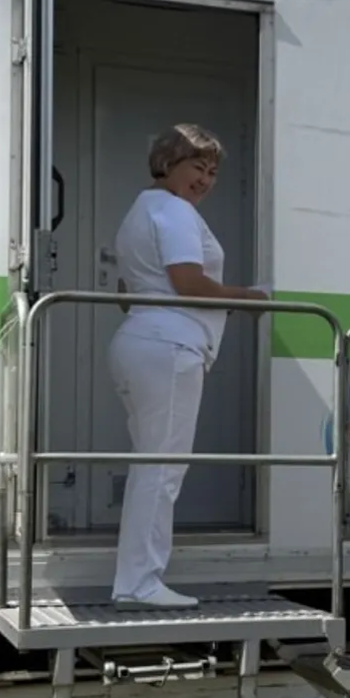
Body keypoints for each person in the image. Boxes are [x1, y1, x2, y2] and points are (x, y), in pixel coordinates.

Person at [108, 124, 268, 610]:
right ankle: (139, 583)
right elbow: (188, 282)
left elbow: (127, 293)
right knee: (162, 469)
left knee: (153, 465)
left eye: (213, 171)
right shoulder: (175, 212)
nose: (206, 179)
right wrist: (254, 298)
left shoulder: (142, 209)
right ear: (167, 162)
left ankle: (136, 579)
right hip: (169, 347)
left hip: (142, 340)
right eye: (198, 166)